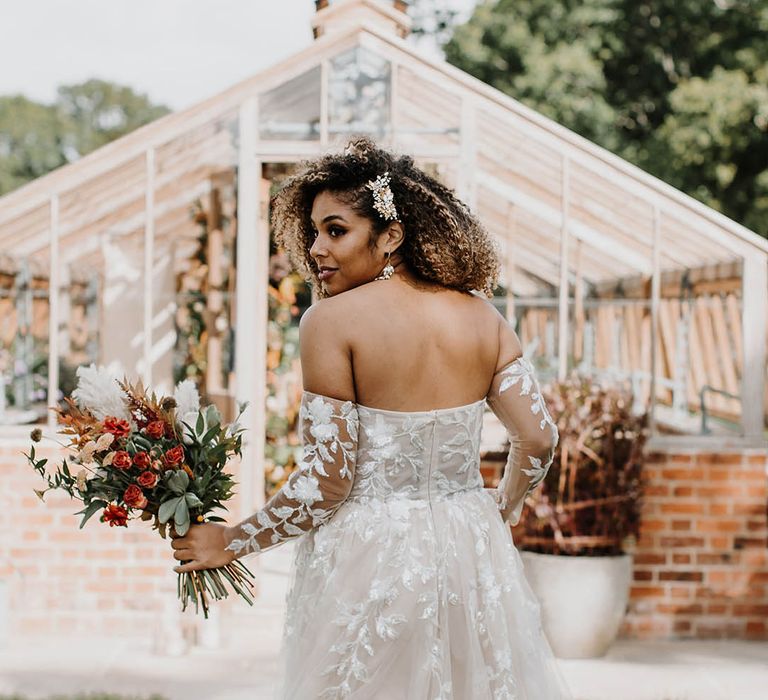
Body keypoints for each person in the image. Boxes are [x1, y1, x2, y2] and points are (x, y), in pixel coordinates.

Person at [170, 138, 573, 699]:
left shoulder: (330, 323)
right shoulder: (484, 316)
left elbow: (327, 481)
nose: (316, 248)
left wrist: (233, 540)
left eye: (336, 230)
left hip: (371, 557)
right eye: (313, 231)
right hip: (468, 549)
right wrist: (497, 512)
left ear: (391, 236)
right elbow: (537, 437)